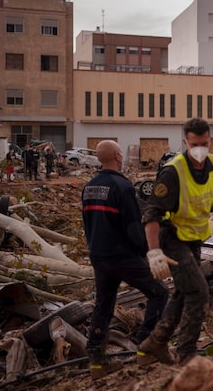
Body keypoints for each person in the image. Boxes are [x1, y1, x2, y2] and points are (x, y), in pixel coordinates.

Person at [137, 118, 213, 366]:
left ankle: (154, 343)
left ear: (210, 141)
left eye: (204, 143)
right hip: (170, 238)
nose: (200, 148)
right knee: (199, 292)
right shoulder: (173, 171)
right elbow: (151, 213)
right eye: (195, 144)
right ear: (185, 142)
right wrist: (154, 251)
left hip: (193, 239)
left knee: (182, 292)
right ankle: (186, 352)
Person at [82, 140, 169, 380]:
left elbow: (87, 225)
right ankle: (146, 347)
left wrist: (95, 249)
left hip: (99, 255)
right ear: (119, 156)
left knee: (104, 304)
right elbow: (133, 228)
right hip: (122, 255)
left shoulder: (89, 187)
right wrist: (146, 253)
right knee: (159, 293)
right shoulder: (122, 187)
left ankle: (97, 363)